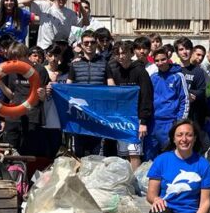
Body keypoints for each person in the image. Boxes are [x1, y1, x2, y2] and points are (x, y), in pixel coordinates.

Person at [66, 29, 113, 156]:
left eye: (92, 42)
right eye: (86, 43)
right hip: (79, 114)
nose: (89, 45)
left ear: (96, 44)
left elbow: (112, 87)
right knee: (79, 150)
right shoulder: (74, 65)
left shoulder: (104, 63)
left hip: (98, 113)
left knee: (96, 151)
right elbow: (67, 88)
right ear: (81, 45)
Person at [0, 43, 50, 156]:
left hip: (32, 116)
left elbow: (43, 97)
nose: (15, 61)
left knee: (29, 153)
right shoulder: (12, 71)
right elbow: (12, 95)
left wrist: (42, 94)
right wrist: (0, 83)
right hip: (13, 117)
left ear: (26, 55)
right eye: (13, 58)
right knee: (10, 151)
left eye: (18, 57)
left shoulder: (39, 70)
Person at [109, 40, 154, 170]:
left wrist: (143, 121)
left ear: (131, 53)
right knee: (124, 154)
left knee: (135, 153)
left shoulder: (140, 71)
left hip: (136, 118)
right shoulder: (115, 71)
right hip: (121, 118)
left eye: (124, 53)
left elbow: (147, 96)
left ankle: (136, 184)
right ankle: (127, 183)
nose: (121, 56)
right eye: (117, 54)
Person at [146, 49, 189, 161]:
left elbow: (185, 100)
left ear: (168, 59)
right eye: (157, 60)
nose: (160, 63)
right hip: (153, 123)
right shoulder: (153, 77)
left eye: (163, 59)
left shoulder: (178, 76)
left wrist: (179, 122)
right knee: (149, 157)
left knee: (170, 156)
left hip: (169, 123)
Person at [22, 0, 90, 49]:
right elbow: (24, 2)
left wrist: (80, 6)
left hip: (62, 48)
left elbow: (86, 23)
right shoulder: (45, 6)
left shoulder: (70, 13)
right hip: (45, 48)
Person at [43, 42, 73, 158]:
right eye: (51, 55)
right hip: (44, 113)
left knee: (57, 146)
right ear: (46, 56)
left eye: (56, 55)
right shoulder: (40, 70)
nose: (53, 59)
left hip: (59, 115)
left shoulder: (65, 73)